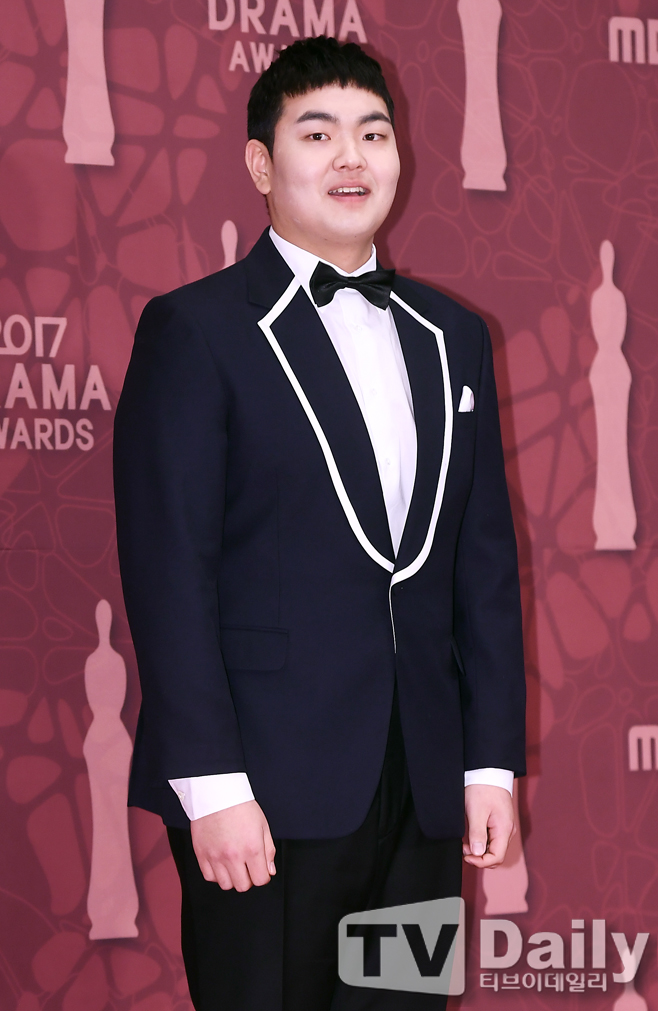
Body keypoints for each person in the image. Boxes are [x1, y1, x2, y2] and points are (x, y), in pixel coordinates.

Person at [114, 35, 526, 1011]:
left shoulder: (453, 337)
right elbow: (170, 573)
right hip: (264, 788)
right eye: (318, 133)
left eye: (373, 133)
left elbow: (483, 568)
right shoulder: (198, 331)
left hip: (422, 791)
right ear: (261, 165)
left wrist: (488, 763)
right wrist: (211, 785)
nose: (352, 157)